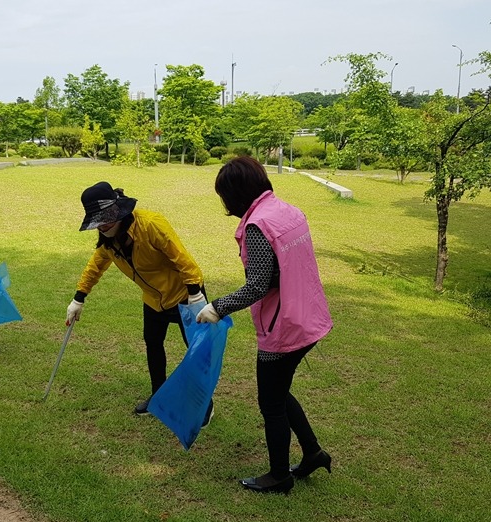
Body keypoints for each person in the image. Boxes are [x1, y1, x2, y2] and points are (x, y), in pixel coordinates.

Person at [197, 156, 333, 494]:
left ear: (236, 193)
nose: (223, 203)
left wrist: (218, 307)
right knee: (279, 391)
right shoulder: (286, 210)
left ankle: (279, 475)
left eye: (223, 195)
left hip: (284, 326)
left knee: (270, 402)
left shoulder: (258, 225)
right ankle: (313, 452)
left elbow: (258, 284)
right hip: (308, 316)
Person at [67, 181, 212, 422]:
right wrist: (78, 298)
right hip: (154, 300)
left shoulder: (151, 224)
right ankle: (158, 396)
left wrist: (195, 293)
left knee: (196, 351)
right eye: (97, 221)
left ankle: (205, 404)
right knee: (153, 344)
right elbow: (95, 266)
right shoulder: (109, 240)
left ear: (118, 211)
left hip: (185, 295)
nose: (102, 226)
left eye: (105, 219)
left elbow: (182, 259)